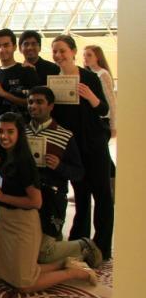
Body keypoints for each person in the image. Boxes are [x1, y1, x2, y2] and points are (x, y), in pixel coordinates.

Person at [0, 113, 96, 292]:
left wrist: (2, 197)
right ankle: (65, 263)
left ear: (19, 133)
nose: (4, 136)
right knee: (8, 274)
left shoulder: (23, 161)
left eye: (10, 131)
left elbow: (35, 201)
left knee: (25, 284)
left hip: (23, 224)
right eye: (0, 131)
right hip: (8, 221)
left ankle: (74, 273)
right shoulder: (5, 156)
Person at [50, 35, 113, 260]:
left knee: (103, 195)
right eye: (55, 51)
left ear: (73, 52)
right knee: (82, 195)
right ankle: (80, 243)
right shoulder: (53, 81)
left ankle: (103, 245)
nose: (58, 55)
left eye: (62, 51)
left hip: (94, 145)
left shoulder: (89, 77)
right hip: (73, 149)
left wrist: (90, 96)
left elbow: (103, 109)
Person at [25, 87, 102, 267]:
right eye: (30, 102)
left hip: (52, 199)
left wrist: (59, 166)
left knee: (43, 254)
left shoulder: (64, 135)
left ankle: (83, 245)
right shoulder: (20, 133)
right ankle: (55, 237)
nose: (33, 106)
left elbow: (78, 173)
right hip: (26, 198)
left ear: (51, 106)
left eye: (39, 102)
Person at [0, 29, 39, 118]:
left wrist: (4, 94)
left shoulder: (27, 70)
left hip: (22, 126)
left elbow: (33, 102)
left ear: (14, 47)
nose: (1, 50)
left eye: (6, 45)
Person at [83, 44, 117, 138]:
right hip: (92, 118)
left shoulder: (102, 74)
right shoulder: (87, 74)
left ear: (98, 57)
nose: (85, 58)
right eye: (84, 55)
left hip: (102, 119)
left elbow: (110, 100)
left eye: (89, 55)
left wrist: (113, 125)